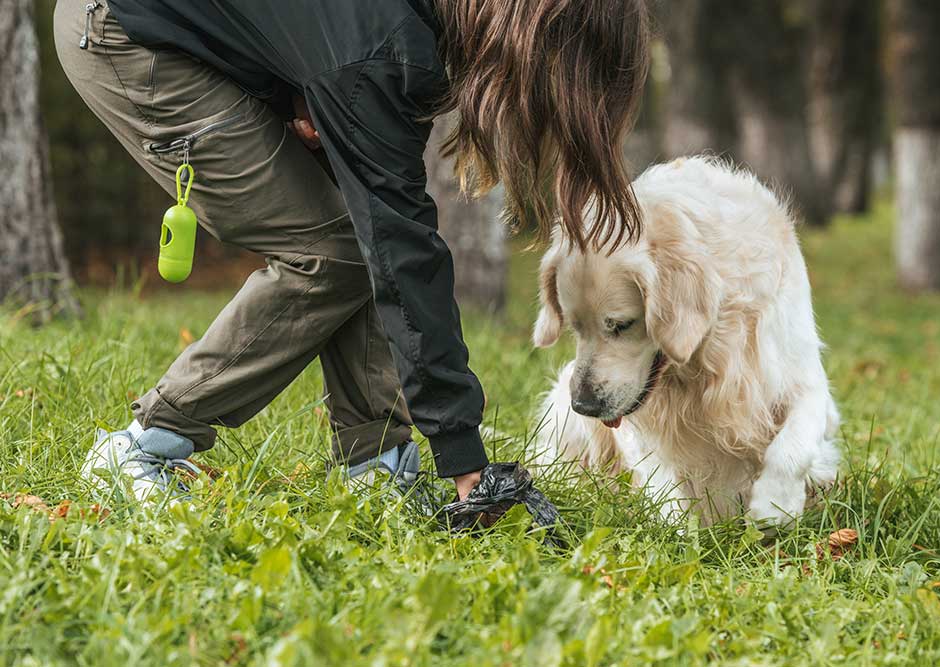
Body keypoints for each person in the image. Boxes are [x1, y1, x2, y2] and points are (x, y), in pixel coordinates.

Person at [55, 0, 650, 502]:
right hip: (123, 33)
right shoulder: (384, 48)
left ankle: (376, 468)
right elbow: (402, 247)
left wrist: (301, 82)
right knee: (332, 250)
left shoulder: (411, 32)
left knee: (357, 225)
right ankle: (143, 446)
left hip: (187, 34)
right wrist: (465, 458)